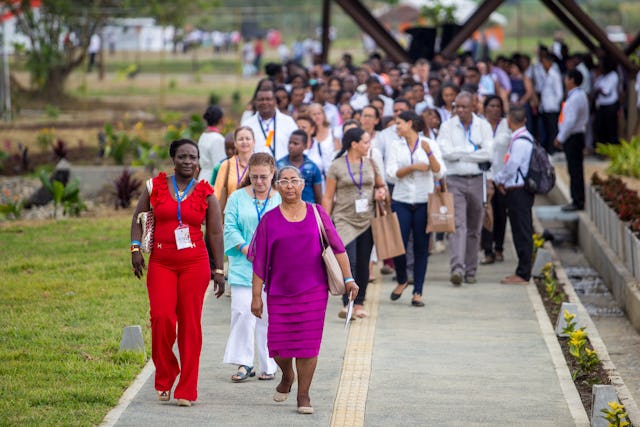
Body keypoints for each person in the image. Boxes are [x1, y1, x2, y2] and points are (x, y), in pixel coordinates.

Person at [249, 166, 359, 415]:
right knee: (277, 345)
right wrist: (256, 296)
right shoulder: (269, 220)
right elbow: (259, 261)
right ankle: (287, 375)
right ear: (277, 186)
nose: (289, 185)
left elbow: (338, 248)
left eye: (294, 181)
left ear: (302, 185)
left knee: (308, 346)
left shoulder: (317, 213)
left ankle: (303, 394)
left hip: (313, 292)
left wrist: (349, 279)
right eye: (284, 181)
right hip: (278, 292)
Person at [130, 139, 225, 407]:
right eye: (182, 156)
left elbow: (215, 233)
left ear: (198, 161)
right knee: (161, 318)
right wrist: (135, 249)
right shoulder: (155, 186)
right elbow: (137, 219)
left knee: (190, 326)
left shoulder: (206, 193)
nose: (188, 161)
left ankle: (187, 389)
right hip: (161, 261)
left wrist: (218, 270)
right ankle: (166, 373)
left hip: (195, 263)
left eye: (192, 157)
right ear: (173, 158)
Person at [223, 153, 281, 383]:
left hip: (273, 267)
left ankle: (269, 363)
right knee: (242, 312)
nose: (259, 181)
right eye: (254, 176)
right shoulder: (236, 198)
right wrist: (246, 248)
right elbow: (229, 227)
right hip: (243, 264)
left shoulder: (280, 198)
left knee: (267, 316)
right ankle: (244, 362)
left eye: (264, 177)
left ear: (272, 173)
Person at [322, 127, 388, 318]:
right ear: (354, 144)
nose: (369, 146)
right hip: (344, 219)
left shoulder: (371, 163)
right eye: (366, 142)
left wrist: (381, 191)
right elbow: (328, 197)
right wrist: (325, 225)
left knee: (363, 263)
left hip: (367, 219)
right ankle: (347, 304)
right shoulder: (337, 166)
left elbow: (380, 185)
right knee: (347, 261)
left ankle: (359, 303)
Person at [386, 110, 445, 306]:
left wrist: (428, 153)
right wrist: (413, 167)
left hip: (423, 201)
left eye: (399, 123)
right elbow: (391, 174)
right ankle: (402, 278)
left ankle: (418, 291)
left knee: (421, 247)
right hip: (401, 200)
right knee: (398, 245)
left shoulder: (429, 143)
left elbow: (439, 172)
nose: (397, 127)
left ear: (410, 123)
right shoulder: (396, 145)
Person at [437, 92, 493, 285]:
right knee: (458, 226)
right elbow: (445, 153)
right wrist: (473, 150)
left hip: (477, 180)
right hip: (455, 180)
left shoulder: (483, 126)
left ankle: (471, 270)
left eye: (464, 107)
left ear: (473, 107)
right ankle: (457, 269)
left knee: (475, 227)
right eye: (457, 107)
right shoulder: (447, 126)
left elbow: (488, 153)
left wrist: (460, 153)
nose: (460, 110)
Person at [494, 105, 535, 284]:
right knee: (520, 230)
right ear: (524, 120)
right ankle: (523, 270)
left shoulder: (520, 141)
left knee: (522, 231)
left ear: (509, 120)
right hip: (517, 190)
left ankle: (523, 273)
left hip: (519, 191)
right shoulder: (523, 138)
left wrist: (499, 179)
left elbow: (512, 165)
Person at [480, 95, 511, 265]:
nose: (495, 109)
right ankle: (487, 250)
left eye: (498, 106)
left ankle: (499, 248)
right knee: (486, 214)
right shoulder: (480, 125)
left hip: (503, 177)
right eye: (491, 106)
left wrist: (502, 177)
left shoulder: (507, 125)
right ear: (485, 108)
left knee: (500, 214)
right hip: (484, 176)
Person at [554, 69, 589, 212]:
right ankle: (577, 199)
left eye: (567, 78)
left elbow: (570, 121)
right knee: (575, 169)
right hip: (575, 136)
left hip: (573, 136)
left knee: (575, 170)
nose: (565, 81)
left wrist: (560, 137)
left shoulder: (575, 98)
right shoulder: (578, 95)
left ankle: (577, 201)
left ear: (572, 80)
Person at [241, 88, 299, 161]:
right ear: (255, 102)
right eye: (261, 99)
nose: (264, 102)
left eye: (268, 99)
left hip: (283, 169)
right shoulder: (247, 124)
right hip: (255, 169)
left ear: (275, 101)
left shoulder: (288, 122)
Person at [276, 130, 323, 203]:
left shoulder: (312, 167)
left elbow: (319, 197)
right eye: (290, 143)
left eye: (295, 143)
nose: (291, 146)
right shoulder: (279, 165)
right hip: (285, 208)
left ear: (305, 146)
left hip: (308, 210)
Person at [214, 126, 255, 204]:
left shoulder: (259, 164)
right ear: (235, 143)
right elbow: (217, 194)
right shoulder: (226, 165)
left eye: (247, 138)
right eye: (240, 139)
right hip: (230, 212)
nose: (244, 141)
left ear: (254, 142)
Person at [198, 105, 226, 184]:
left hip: (202, 176)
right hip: (212, 180)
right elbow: (219, 166)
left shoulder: (203, 136)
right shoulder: (218, 139)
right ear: (221, 120)